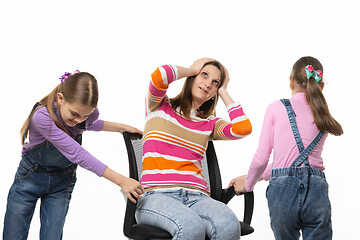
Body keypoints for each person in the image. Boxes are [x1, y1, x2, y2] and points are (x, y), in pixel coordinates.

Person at [3, 70, 144, 240]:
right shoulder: (41, 117)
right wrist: (122, 180)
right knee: (14, 235)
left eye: (85, 115)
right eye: (75, 114)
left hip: (62, 183)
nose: (79, 120)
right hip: (30, 178)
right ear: (60, 99)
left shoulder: (83, 116)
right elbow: (76, 153)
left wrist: (121, 127)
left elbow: (87, 125)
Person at [135, 58, 252, 239]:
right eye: (204, 75)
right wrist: (192, 69)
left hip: (198, 197)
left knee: (229, 225)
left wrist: (223, 91)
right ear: (193, 77)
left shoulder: (209, 123)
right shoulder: (159, 106)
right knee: (191, 226)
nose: (208, 84)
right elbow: (161, 74)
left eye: (215, 82)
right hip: (156, 195)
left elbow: (243, 129)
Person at [229, 56, 343, 240]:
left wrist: (249, 184)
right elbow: (295, 160)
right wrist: (256, 178)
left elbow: (263, 159)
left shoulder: (276, 108)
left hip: (282, 190)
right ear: (320, 86)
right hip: (317, 190)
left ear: (291, 82)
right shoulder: (324, 115)